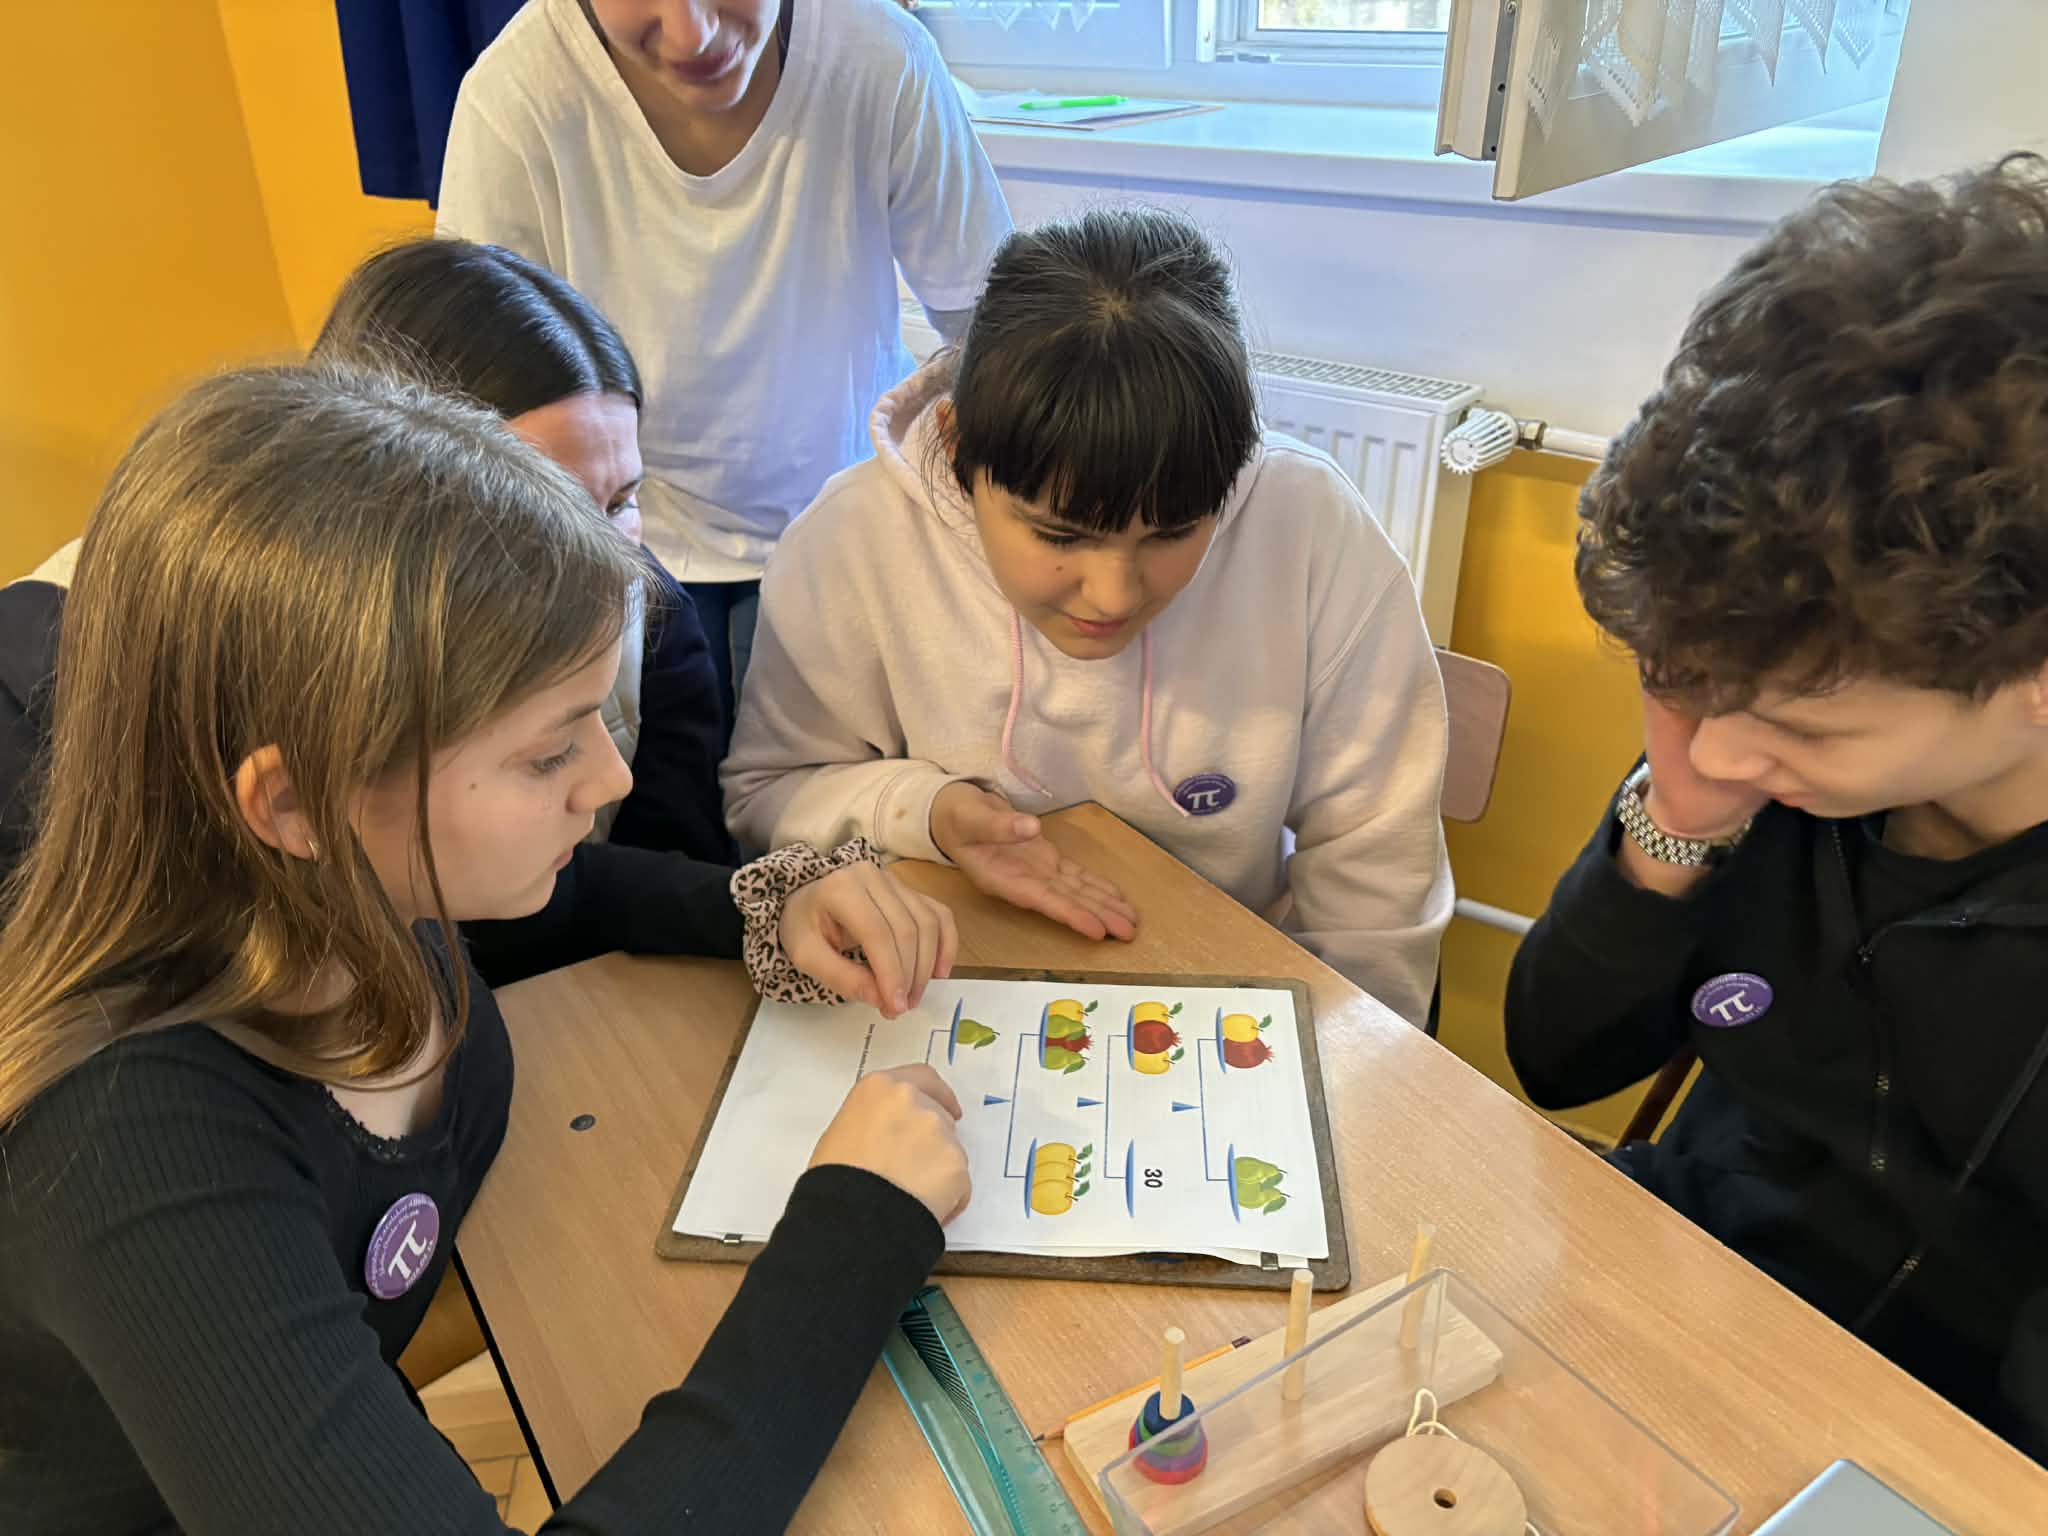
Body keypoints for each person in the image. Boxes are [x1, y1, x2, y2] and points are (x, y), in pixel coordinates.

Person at [0, 364, 966, 1533]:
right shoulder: (130, 1148)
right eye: (548, 753)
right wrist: (856, 1230)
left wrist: (762, 908)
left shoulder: (339, 885)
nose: (609, 781)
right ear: (296, 802)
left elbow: (557, 897)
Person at [1504, 156, 2048, 1459]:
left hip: (1910, 1441)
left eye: (1800, 727)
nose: (1719, 746)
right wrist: (1675, 827)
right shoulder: (1759, 729)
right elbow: (1556, 1061)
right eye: (1692, 687)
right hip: (1658, 1303)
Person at [724, 206, 1454, 1026]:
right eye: (1059, 535)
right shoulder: (850, 540)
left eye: (1171, 533)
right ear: (959, 448)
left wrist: (1346, 1053)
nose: (1112, 596)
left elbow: (1376, 870)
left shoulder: (1311, 524)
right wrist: (923, 811)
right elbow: (768, 794)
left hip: (1228, 999)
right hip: (940, 995)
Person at [1, 238, 748, 987]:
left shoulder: (648, 614)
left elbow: (636, 867)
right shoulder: (44, 681)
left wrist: (758, 904)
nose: (605, 564)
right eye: (544, 512)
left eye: (621, 502)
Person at [437, 0, 1013, 739]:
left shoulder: (880, 57)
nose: (692, 34)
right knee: (673, 786)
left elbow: (987, 320)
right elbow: (472, 387)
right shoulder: (516, 96)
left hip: (846, 521)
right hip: (622, 542)